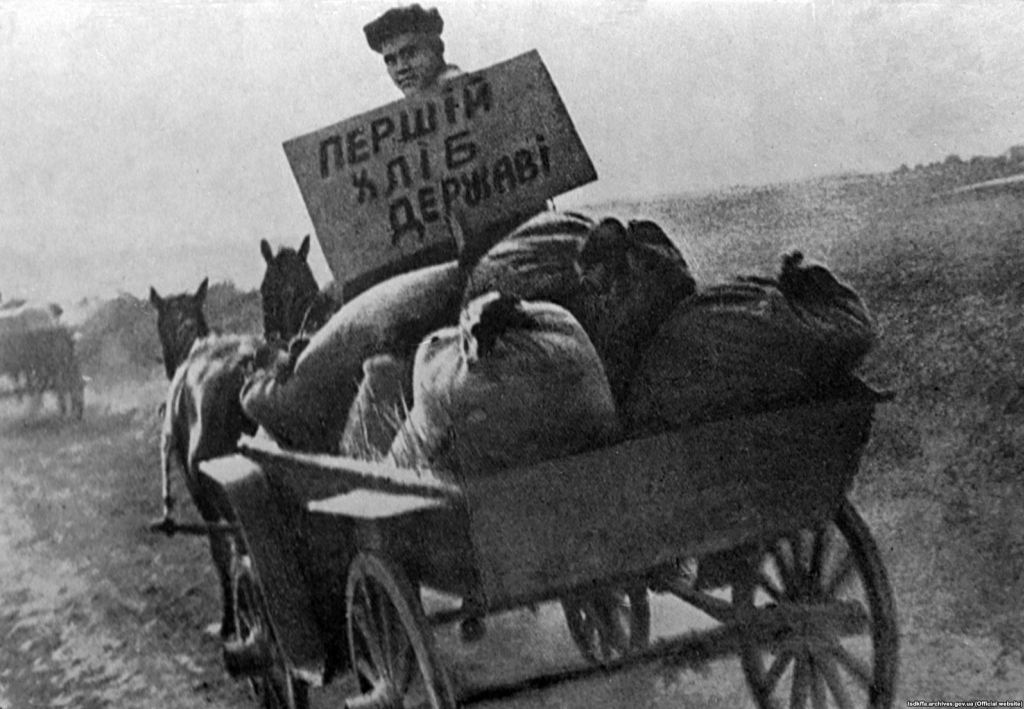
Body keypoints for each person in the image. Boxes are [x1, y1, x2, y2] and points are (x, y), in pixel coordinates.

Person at [364, 4, 463, 98]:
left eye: (410, 54)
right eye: (391, 61)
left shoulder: (465, 92)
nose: (401, 68)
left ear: (436, 48)